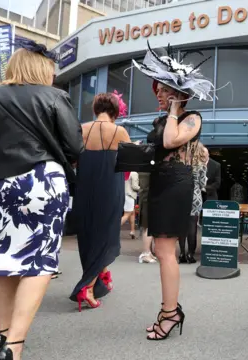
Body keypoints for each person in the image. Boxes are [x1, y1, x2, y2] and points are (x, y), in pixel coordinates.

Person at [0, 41, 83, 360]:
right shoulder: (54, 96)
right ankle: (14, 345)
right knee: (40, 261)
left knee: (2, 260)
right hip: (39, 180)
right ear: (41, 69)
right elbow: (75, 147)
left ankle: (2, 335)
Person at [133, 42, 215, 341]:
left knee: (166, 252)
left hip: (177, 182)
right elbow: (155, 149)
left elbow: (170, 141)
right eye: (157, 89)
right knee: (161, 249)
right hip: (159, 182)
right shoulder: (160, 119)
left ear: (178, 94)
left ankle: (170, 314)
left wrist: (173, 111)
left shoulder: (192, 118)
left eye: (163, 90)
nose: (157, 93)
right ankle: (169, 309)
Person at [69, 92, 130, 311]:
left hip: (84, 188)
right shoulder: (120, 131)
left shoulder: (81, 130)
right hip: (110, 189)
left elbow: (71, 159)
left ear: (96, 108)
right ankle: (87, 287)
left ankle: (100, 277)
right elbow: (128, 163)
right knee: (107, 234)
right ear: (115, 110)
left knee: (88, 234)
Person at [178, 142, 207, 264]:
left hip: (181, 195)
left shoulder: (181, 164)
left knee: (181, 226)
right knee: (192, 226)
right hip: (195, 196)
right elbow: (202, 184)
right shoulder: (201, 165)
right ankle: (190, 253)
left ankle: (181, 253)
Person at [137, 171, 156, 264]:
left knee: (148, 227)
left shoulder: (144, 172)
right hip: (148, 201)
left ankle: (148, 252)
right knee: (147, 227)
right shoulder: (146, 173)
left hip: (146, 200)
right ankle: (145, 253)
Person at [121, 171, 140, 239]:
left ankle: (132, 231)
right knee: (127, 214)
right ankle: (114, 228)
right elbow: (134, 186)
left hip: (123, 194)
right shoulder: (134, 173)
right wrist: (142, 189)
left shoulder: (123, 172)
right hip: (129, 195)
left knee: (132, 212)